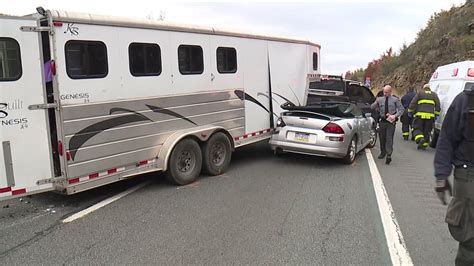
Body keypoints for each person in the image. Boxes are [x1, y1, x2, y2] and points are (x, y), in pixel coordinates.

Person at [434, 83, 474, 265]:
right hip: (469, 174)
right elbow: (447, 138)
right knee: (469, 237)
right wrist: (441, 176)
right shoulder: (465, 100)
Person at [371, 85, 404, 164]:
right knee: (382, 138)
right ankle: (383, 152)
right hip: (382, 121)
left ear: (390, 92)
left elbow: (401, 109)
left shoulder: (395, 100)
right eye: (384, 92)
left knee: (389, 138)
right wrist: (376, 102)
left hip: (391, 122)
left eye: (386, 92)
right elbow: (372, 107)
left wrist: (394, 116)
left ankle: (389, 154)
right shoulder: (380, 99)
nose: (385, 94)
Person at [408, 84, 441, 150]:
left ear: (424, 88)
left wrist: (410, 111)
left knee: (416, 128)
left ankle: (420, 139)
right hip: (430, 117)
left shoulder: (420, 93)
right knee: (427, 131)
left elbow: (413, 103)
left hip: (420, 115)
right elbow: (438, 105)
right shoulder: (434, 94)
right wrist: (436, 114)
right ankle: (424, 145)